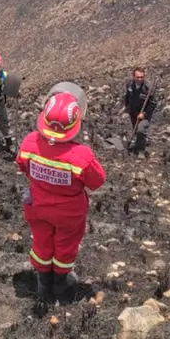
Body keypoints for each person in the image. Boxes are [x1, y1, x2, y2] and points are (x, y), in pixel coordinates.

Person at [16, 91, 106, 303]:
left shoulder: (29, 142)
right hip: (69, 213)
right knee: (65, 245)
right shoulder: (82, 156)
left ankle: (42, 282)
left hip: (36, 205)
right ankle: (60, 283)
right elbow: (97, 182)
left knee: (41, 242)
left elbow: (21, 165)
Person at [123, 67, 157, 154]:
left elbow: (153, 104)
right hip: (133, 113)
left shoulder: (148, 88)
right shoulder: (130, 84)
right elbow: (127, 96)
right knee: (136, 131)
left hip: (144, 115)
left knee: (141, 129)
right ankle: (138, 145)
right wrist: (127, 107)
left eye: (141, 77)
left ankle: (141, 151)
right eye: (137, 77)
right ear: (133, 76)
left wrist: (144, 114)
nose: (140, 79)